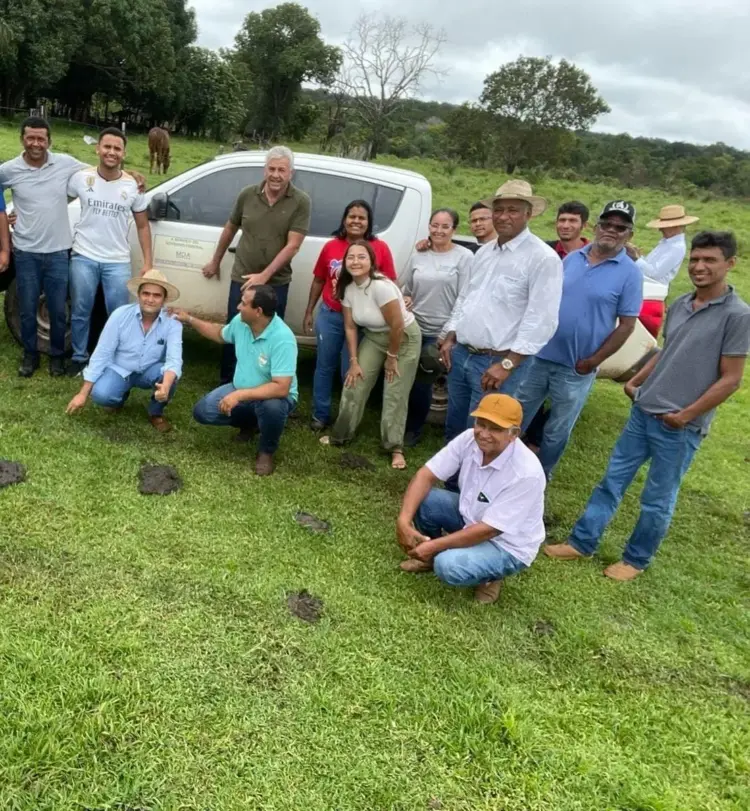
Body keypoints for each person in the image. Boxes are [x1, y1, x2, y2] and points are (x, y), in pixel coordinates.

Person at [545, 231, 749, 581]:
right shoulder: (683, 303)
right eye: (695, 260)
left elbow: (731, 379)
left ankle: (636, 560)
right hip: (643, 412)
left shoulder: (737, 316)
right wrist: (636, 381)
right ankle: (582, 542)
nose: (699, 267)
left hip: (680, 425)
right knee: (612, 481)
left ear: (730, 264)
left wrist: (685, 415)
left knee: (657, 497)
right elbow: (667, 352)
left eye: (710, 260)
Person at [514, 201, 643, 479]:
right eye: (607, 224)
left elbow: (627, 325)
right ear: (596, 227)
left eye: (620, 227)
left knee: (557, 429)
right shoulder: (571, 258)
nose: (612, 230)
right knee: (516, 416)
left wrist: (594, 361)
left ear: (629, 235)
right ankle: (504, 466)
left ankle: (541, 476)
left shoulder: (630, 273)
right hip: (540, 357)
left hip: (577, 368)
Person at [439, 180, 563, 442]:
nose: (504, 216)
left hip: (496, 362)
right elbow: (466, 297)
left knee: (484, 432)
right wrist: (450, 335)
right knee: (455, 427)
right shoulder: (484, 253)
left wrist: (508, 364)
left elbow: (542, 319)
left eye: (513, 210)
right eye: (499, 209)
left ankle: (472, 483)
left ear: (528, 214)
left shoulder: (543, 258)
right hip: (462, 354)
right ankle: (451, 480)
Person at [396, 394, 545, 604]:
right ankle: (427, 557)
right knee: (425, 499)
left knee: (448, 566)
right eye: (480, 424)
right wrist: (403, 521)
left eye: (495, 429)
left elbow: (490, 530)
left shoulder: (527, 472)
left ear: (514, 434)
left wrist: (435, 545)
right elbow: (426, 475)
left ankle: (491, 576)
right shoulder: (468, 438)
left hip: (506, 545)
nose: (484, 434)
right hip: (472, 517)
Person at [201, 146, 311, 384]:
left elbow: (293, 245)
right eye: (272, 169)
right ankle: (228, 382)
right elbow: (230, 228)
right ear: (265, 170)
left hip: (276, 282)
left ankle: (265, 385)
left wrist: (264, 275)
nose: (276, 175)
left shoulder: (301, 202)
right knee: (236, 329)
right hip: (242, 277)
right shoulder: (247, 195)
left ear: (291, 173)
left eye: (282, 170)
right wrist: (216, 260)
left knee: (270, 336)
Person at [176, 285, 298, 477]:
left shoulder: (283, 338)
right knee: (203, 412)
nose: (238, 307)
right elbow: (218, 333)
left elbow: (281, 388)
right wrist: (189, 319)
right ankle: (251, 423)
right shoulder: (241, 323)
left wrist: (239, 395)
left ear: (258, 311)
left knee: (273, 407)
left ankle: (266, 451)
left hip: (274, 396)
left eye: (243, 303)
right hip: (241, 389)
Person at [320, 240, 421, 470]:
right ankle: (341, 435)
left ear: (371, 261)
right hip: (375, 337)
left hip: (403, 339)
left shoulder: (381, 286)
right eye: (351, 257)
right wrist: (354, 361)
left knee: (394, 391)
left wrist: (392, 357)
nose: (355, 261)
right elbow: (350, 327)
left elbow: (397, 326)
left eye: (361, 257)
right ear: (345, 262)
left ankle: (394, 447)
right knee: (354, 382)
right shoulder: (347, 287)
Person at [0, 117, 89, 377]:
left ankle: (57, 355)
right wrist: (7, 213)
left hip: (59, 251)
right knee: (27, 307)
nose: (36, 143)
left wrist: (133, 175)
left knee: (58, 308)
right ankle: (30, 354)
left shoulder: (65, 163)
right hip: (25, 251)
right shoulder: (9, 169)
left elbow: (99, 172)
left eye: (41, 138)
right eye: (31, 138)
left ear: (49, 141)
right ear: (22, 139)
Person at [302, 199, 397, 431]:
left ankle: (346, 417)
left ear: (368, 222)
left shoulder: (380, 248)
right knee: (324, 366)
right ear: (344, 219)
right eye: (351, 216)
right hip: (331, 315)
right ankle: (320, 415)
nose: (356, 221)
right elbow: (318, 280)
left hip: (361, 320)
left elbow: (391, 282)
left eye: (361, 217)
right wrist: (309, 310)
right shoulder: (331, 247)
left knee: (352, 369)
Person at [65, 128, 153, 377]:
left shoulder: (133, 186)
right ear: (98, 148)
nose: (111, 152)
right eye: (107, 147)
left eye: (117, 148)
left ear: (124, 153)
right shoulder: (80, 178)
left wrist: (148, 262)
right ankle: (79, 357)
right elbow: (56, 200)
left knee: (118, 314)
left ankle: (112, 360)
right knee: (81, 309)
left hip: (117, 260)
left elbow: (143, 225)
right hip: (84, 255)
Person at [65, 270, 182, 432]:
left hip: (150, 370)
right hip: (120, 369)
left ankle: (156, 412)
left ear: (164, 300)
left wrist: (166, 386)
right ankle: (118, 397)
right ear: (138, 295)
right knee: (101, 395)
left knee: (171, 375)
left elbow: (174, 360)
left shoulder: (173, 323)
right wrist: (83, 394)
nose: (150, 299)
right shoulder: (120, 315)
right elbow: (102, 353)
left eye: (157, 295)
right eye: (146, 293)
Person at [399, 208, 473, 446]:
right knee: (406, 380)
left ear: (454, 230)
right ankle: (402, 425)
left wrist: (447, 334)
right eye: (435, 225)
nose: (438, 230)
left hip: (444, 332)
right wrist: (405, 300)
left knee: (425, 381)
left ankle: (416, 430)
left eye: (445, 226)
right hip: (414, 327)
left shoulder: (464, 258)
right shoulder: (418, 255)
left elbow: (465, 298)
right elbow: (406, 290)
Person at [526, 200, 591, 449]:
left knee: (562, 403)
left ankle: (539, 447)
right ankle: (524, 441)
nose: (565, 225)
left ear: (584, 225)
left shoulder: (592, 257)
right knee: (528, 393)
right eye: (562, 220)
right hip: (539, 338)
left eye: (572, 221)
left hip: (570, 344)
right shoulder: (545, 251)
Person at [628, 204, 700, 337]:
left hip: (651, 294)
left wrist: (635, 259)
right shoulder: (667, 243)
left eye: (664, 227)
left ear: (675, 227)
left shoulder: (676, 247)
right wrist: (638, 256)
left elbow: (655, 273)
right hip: (644, 290)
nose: (661, 230)